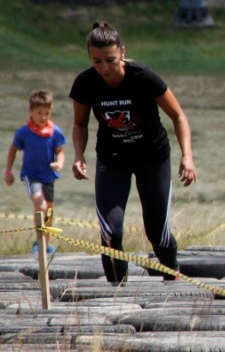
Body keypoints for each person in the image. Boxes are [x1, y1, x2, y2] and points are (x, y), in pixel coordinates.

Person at [69, 22, 196, 283]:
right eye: (97, 61)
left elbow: (178, 115)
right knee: (111, 231)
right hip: (113, 160)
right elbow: (80, 124)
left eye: (111, 60)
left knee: (157, 233)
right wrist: (78, 156)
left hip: (152, 157)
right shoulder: (85, 83)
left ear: (123, 52)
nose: (104, 68)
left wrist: (187, 156)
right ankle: (118, 290)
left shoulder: (143, 77)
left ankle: (172, 277)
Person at [5, 90, 66, 254]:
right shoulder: (23, 133)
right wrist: (8, 171)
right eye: (39, 113)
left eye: (47, 113)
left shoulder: (55, 132)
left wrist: (59, 163)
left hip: (48, 177)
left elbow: (60, 151)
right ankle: (39, 242)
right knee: (40, 204)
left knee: (50, 211)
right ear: (30, 112)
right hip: (30, 176)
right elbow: (12, 150)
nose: (43, 117)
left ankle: (45, 243)